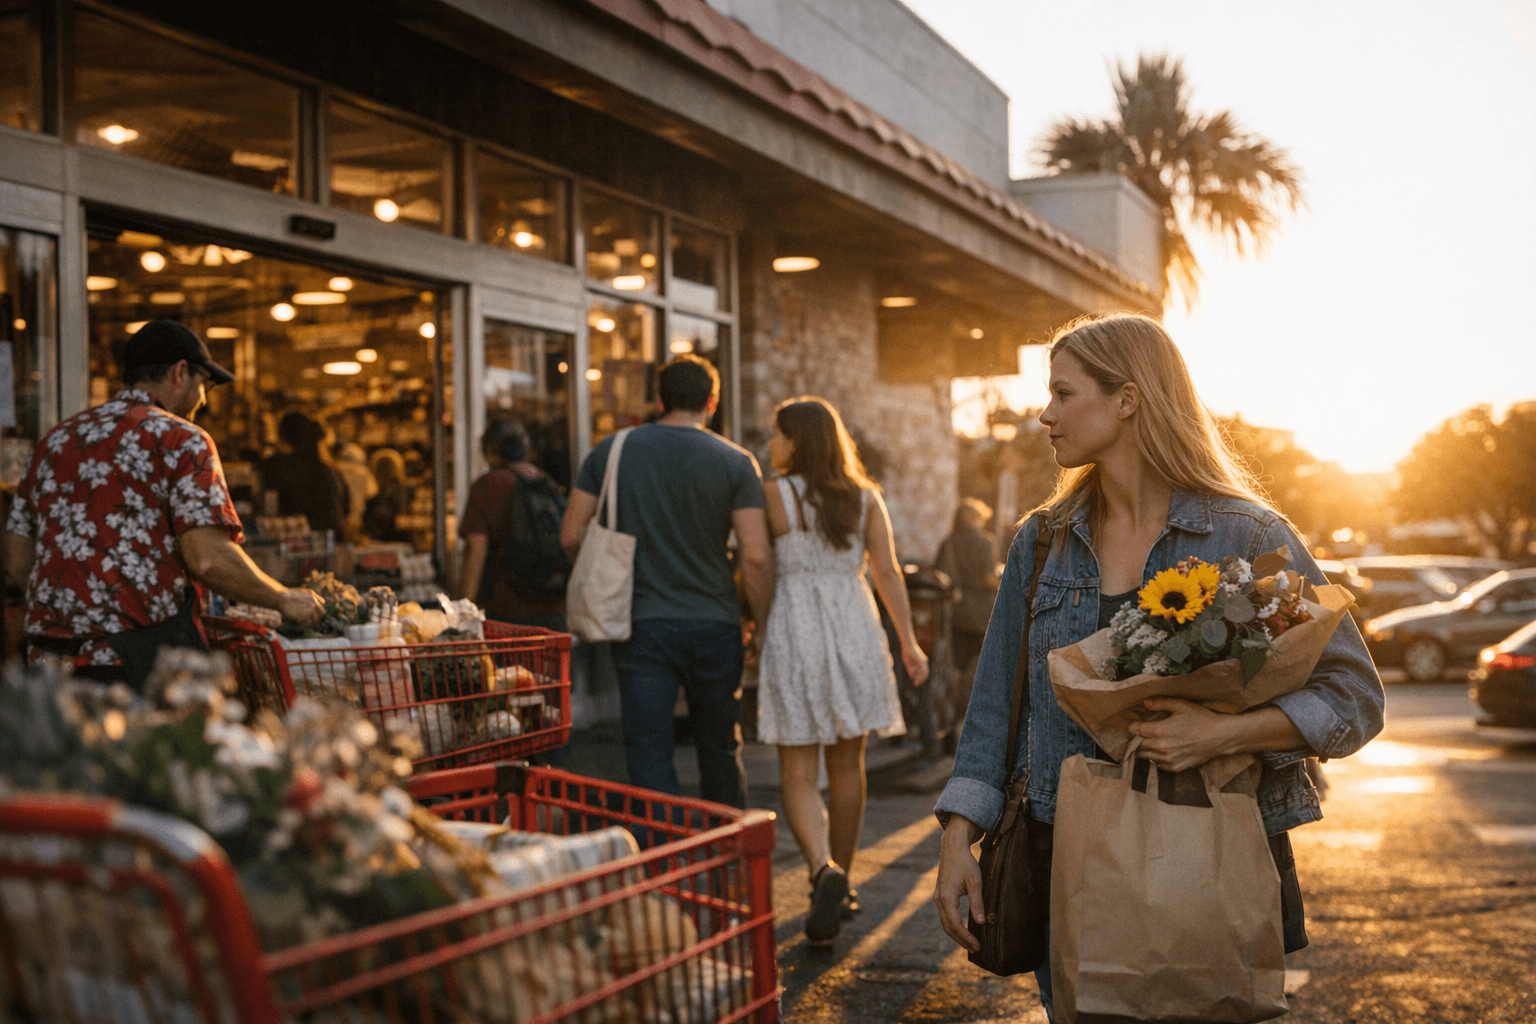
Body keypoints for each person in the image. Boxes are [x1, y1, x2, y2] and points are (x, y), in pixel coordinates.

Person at [931, 314, 1384, 1021]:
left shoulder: (1248, 534)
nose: (1045, 415)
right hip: (1064, 852)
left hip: (1208, 852)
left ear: (1127, 399)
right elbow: (995, 704)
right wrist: (959, 836)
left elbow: (1354, 695)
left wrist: (1222, 734)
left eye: (1062, 393)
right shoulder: (1042, 541)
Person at [2, 320, 324, 689]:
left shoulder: (54, 442)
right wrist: (283, 598)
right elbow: (208, 559)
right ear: (179, 372)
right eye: (204, 384)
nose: (203, 400)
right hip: (134, 666)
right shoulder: (181, 439)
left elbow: (17, 561)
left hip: (48, 666)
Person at [560, 355, 772, 811]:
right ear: (711, 402)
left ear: (659, 400)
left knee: (648, 749)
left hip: (641, 624)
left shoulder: (611, 451)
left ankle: (663, 848)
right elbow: (755, 557)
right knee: (719, 747)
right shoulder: (737, 462)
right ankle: (725, 844)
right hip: (716, 622)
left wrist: (606, 569)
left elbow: (570, 535)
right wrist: (760, 622)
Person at [757, 396, 930, 943]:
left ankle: (820, 869)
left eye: (777, 434)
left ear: (797, 441)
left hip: (795, 628)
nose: (770, 444)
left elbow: (755, 566)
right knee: (848, 767)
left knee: (797, 771)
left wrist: (754, 626)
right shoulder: (866, 497)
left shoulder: (773, 495)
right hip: (854, 625)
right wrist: (909, 643)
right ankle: (844, 879)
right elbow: (887, 573)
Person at [457, 418, 566, 629]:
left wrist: (464, 610)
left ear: (490, 451)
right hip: (555, 606)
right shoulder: (544, 481)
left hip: (508, 609)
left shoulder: (488, 485)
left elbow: (475, 549)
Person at [935, 498, 1000, 709]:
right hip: (981, 615)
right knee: (978, 662)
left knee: (957, 663)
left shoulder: (948, 542)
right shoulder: (985, 542)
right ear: (976, 518)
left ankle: (952, 706)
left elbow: (940, 576)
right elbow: (988, 579)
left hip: (955, 613)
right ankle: (965, 706)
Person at [259, 412, 347, 538]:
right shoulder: (323, 468)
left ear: (284, 436)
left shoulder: (274, 466)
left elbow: (267, 505)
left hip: (287, 538)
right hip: (325, 537)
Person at [363, 449, 413, 543]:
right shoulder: (407, 492)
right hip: (399, 544)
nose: (385, 472)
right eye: (382, 469)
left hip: (389, 544)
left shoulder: (375, 500)